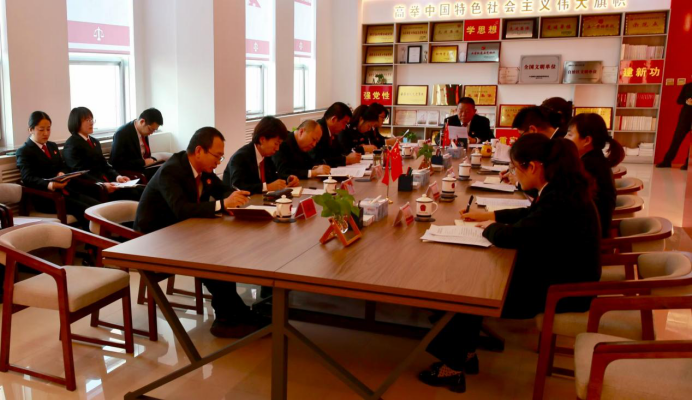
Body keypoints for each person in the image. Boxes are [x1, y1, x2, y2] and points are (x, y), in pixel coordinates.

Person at [419, 135, 601, 393]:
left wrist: (488, 227)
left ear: (532, 167)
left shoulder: (558, 199)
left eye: (515, 168)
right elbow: (529, 215)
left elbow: (514, 236)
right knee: (474, 278)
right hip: (561, 276)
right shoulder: (560, 190)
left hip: (561, 292)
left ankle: (452, 367)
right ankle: (466, 352)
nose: (513, 174)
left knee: (467, 287)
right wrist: (489, 215)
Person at [134, 127, 266, 338]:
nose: (219, 162)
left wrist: (236, 195)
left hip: (183, 232)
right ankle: (227, 319)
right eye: (217, 156)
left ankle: (235, 314)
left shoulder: (203, 170)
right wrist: (223, 204)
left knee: (222, 251)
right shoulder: (172, 171)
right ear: (198, 151)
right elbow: (181, 209)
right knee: (211, 256)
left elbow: (222, 189)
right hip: (154, 239)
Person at [16, 111, 100, 230]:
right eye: (41, 130)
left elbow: (62, 166)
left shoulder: (52, 146)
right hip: (47, 198)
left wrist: (62, 173)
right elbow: (28, 178)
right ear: (31, 129)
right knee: (85, 210)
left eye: (48, 129)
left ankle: (100, 238)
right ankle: (91, 240)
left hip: (65, 191)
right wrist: (51, 185)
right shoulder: (24, 151)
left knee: (96, 206)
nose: (46, 133)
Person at [63, 107, 142, 201]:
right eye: (87, 120)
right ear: (76, 122)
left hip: (106, 181)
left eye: (92, 119)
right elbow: (78, 173)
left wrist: (118, 177)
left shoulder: (94, 141)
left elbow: (104, 164)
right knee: (132, 195)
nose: (91, 123)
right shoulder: (71, 144)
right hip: (91, 187)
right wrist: (101, 185)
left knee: (140, 190)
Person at [566, 113, 624, 238]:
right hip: (591, 230)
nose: (565, 138)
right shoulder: (593, 160)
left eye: (570, 134)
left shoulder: (587, 167)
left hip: (588, 238)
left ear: (587, 140)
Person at [223, 116, 299, 194]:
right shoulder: (240, 157)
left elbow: (274, 179)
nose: (277, 148)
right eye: (276, 143)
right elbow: (238, 187)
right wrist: (267, 187)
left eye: (279, 144)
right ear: (262, 140)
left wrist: (288, 179)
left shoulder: (266, 156)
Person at [110, 108, 164, 181]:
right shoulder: (122, 133)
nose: (151, 133)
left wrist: (152, 161)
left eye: (154, 130)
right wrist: (143, 162)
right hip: (129, 172)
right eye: (151, 129)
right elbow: (116, 163)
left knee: (165, 169)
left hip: (143, 168)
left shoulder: (143, 131)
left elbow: (144, 155)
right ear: (142, 122)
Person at [311, 102, 361, 166]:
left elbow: (340, 152)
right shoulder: (318, 131)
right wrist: (346, 160)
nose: (344, 128)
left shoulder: (333, 131)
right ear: (334, 119)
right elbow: (318, 161)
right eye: (344, 123)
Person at [656, 81, 692, 170]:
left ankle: (688, 163)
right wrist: (686, 101)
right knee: (676, 139)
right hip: (685, 117)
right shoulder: (687, 86)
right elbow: (679, 100)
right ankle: (666, 161)